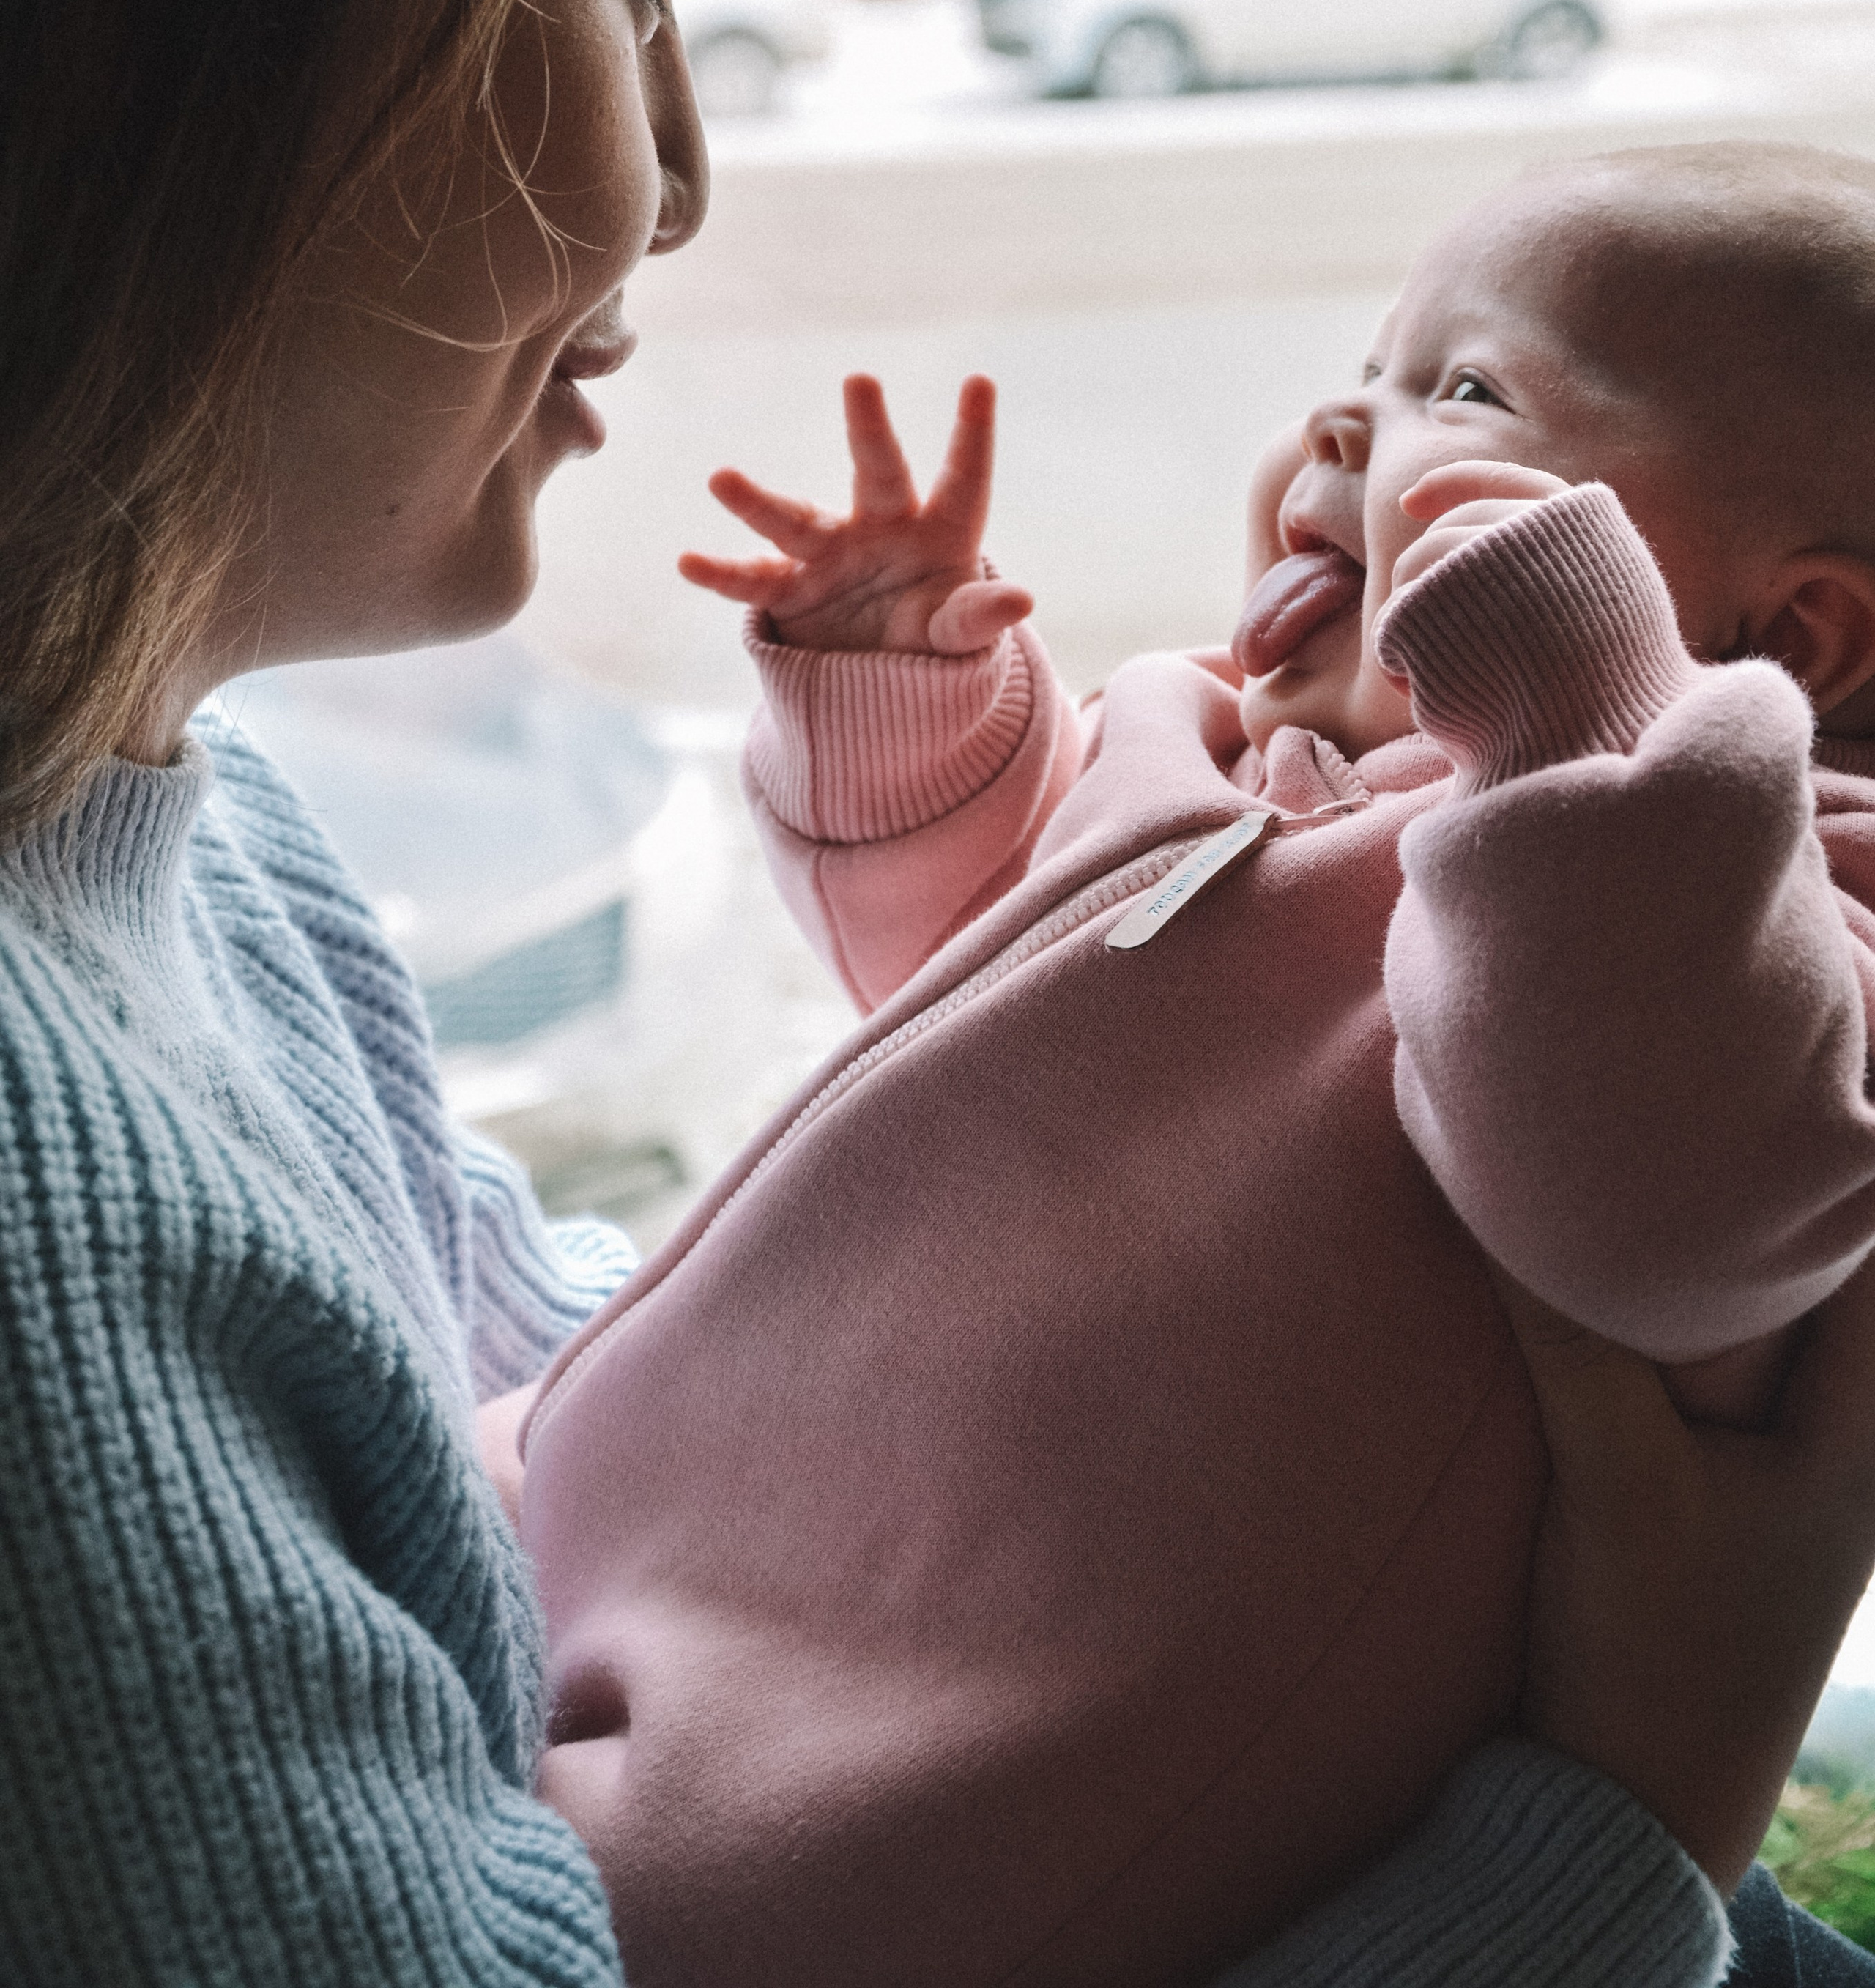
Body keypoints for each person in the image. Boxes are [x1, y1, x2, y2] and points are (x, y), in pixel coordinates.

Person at [0, 0, 1867, 1979]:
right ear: (166, 23)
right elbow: (989, 997)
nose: (692, 172)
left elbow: (512, 1360)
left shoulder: (182, 813)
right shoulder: (44, 1187)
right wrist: (1630, 1790)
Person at [516, 144, 1875, 1988]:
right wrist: (906, 699)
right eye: (1371, 358)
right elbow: (966, 969)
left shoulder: (1770, 910)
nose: (1342, 417)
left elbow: (1662, 1212)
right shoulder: (1202, 742)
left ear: (1784, 638)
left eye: (1466, 393)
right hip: (659, 1522)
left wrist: (1575, 737)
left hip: (917, 1821)